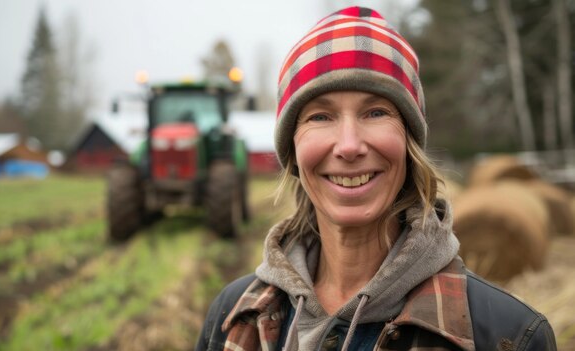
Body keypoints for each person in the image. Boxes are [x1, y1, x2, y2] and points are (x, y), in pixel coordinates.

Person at [196, 6, 557, 351]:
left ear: (409, 140)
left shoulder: (507, 336)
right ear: (292, 148)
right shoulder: (232, 317)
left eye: (376, 112)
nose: (349, 146)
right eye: (320, 117)